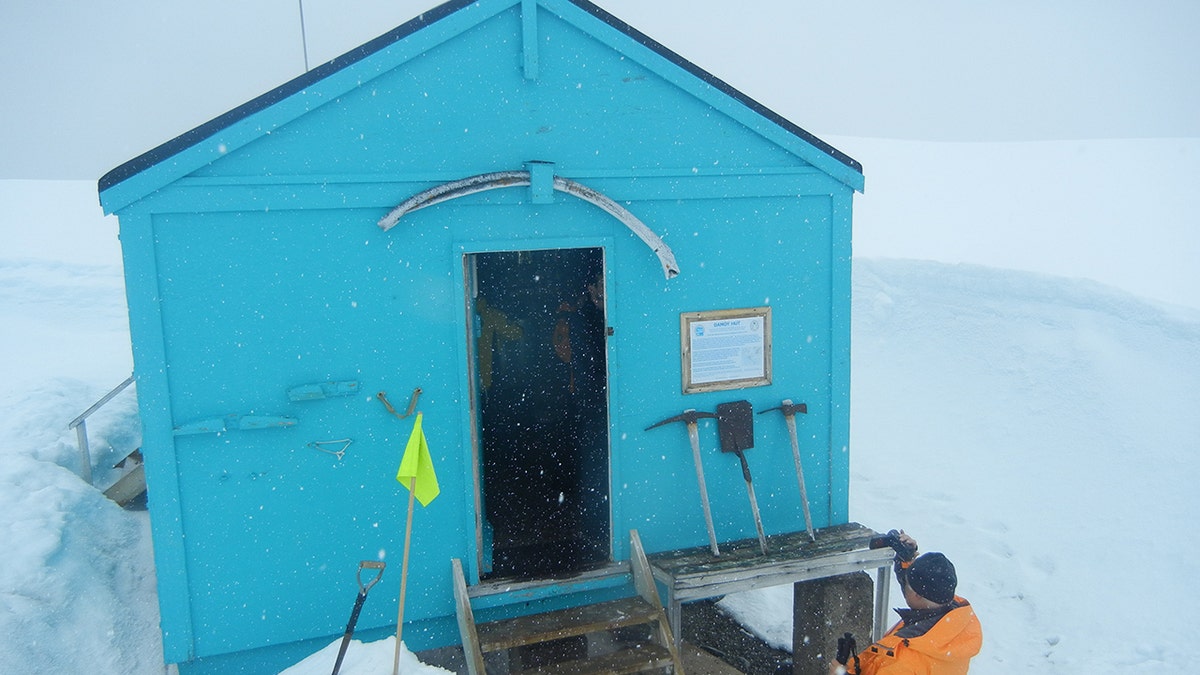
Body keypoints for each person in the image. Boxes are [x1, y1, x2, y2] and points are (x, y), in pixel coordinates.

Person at [830, 531, 982, 675]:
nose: (903, 584)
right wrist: (907, 561)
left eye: (907, 583)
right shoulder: (956, 619)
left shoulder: (903, 662)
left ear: (917, 594)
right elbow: (923, 588)